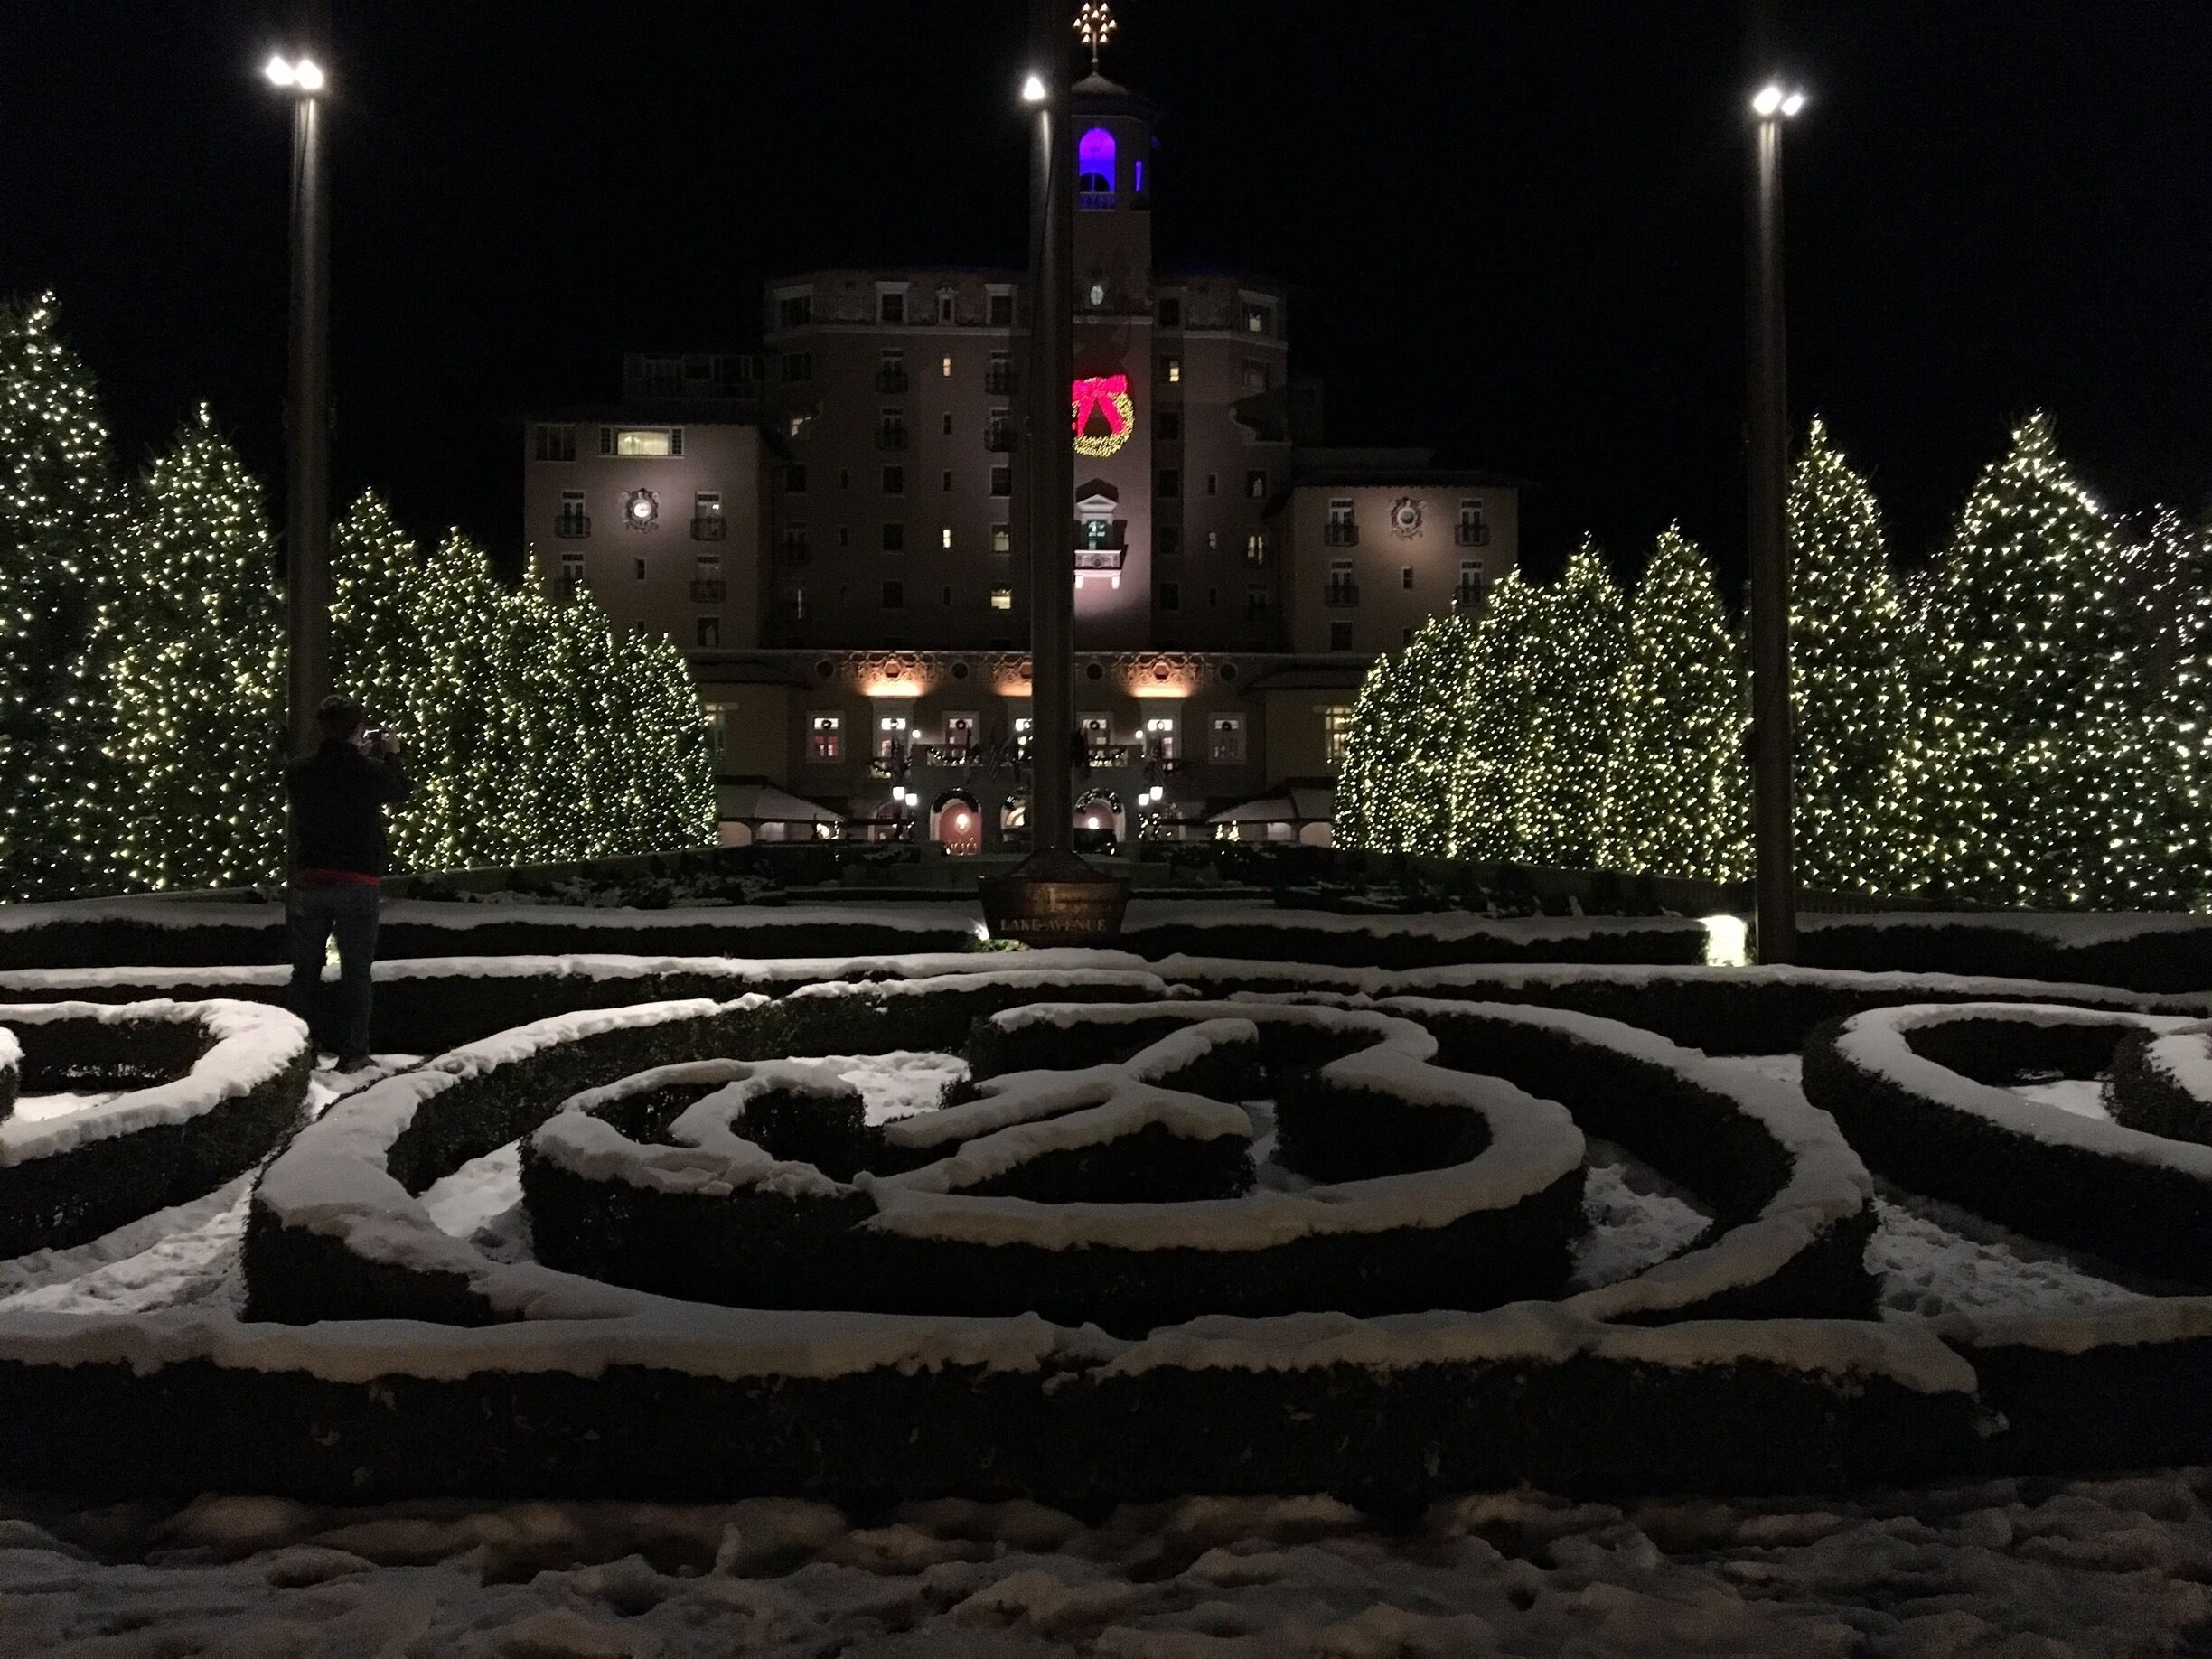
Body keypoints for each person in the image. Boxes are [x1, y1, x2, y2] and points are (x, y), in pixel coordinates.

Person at [286, 695, 409, 1070]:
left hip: (311, 879)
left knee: (306, 971)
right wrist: (390, 753)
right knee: (356, 971)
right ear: (357, 730)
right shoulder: (369, 772)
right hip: (358, 880)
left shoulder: (298, 771)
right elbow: (400, 790)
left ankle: (298, 1052)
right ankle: (353, 1052)